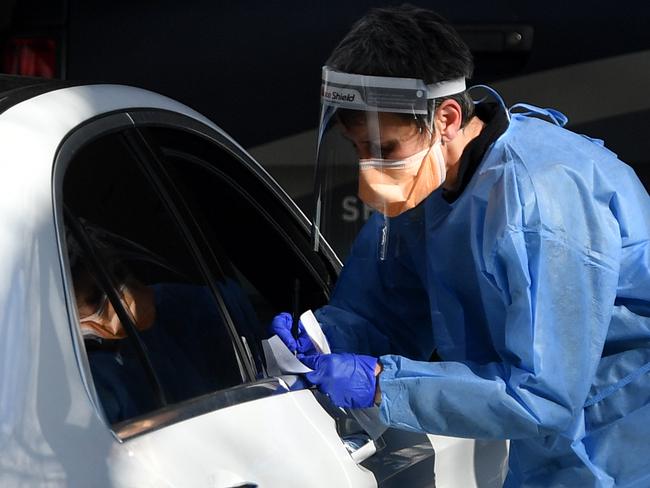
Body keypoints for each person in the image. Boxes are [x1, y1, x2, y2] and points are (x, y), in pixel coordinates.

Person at [270, 5, 650, 487]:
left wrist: (383, 383)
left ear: (446, 118)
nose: (369, 169)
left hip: (623, 445)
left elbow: (543, 397)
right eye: (357, 148)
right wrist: (324, 342)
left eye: (385, 149)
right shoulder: (431, 189)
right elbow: (383, 309)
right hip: (545, 452)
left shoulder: (543, 202)